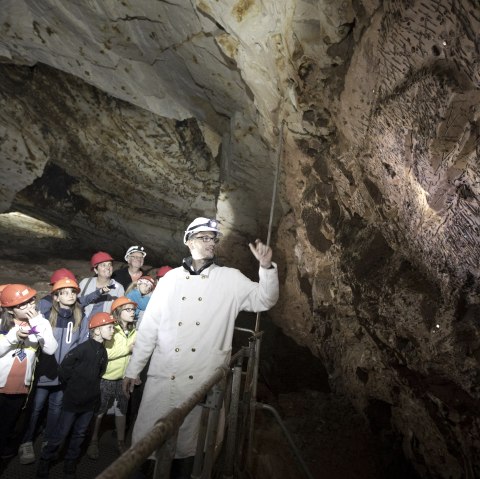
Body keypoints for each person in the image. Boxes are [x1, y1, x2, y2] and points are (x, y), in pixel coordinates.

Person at [123, 217, 279, 478]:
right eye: (204, 237)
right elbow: (149, 326)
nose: (211, 243)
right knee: (150, 447)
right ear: (188, 241)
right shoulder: (170, 279)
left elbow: (265, 299)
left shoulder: (230, 279)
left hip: (201, 380)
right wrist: (133, 369)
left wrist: (266, 267)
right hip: (164, 376)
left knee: (191, 451)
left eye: (213, 239)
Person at [36, 312, 115, 479]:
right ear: (97, 330)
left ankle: (70, 462)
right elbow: (64, 369)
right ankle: (45, 459)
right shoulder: (82, 349)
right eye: (109, 327)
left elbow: (99, 374)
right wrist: (72, 388)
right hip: (73, 400)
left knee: (80, 433)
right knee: (61, 433)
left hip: (89, 401)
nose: (113, 330)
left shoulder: (103, 352)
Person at [18, 278, 89, 465]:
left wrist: (74, 368)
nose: (70, 295)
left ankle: (49, 439)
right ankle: (26, 441)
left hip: (64, 374)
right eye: (64, 292)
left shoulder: (81, 315)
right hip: (44, 371)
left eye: (73, 292)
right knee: (36, 408)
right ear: (55, 297)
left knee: (56, 407)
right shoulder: (46, 314)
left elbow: (81, 344)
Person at [0, 284, 58, 459]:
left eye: (31, 300)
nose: (30, 306)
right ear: (10, 310)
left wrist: (38, 323)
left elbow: (50, 348)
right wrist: (13, 337)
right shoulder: (2, 323)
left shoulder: (41, 322)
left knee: (7, 427)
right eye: (22, 304)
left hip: (19, 388)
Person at [86, 296, 137, 459]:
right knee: (99, 411)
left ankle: (121, 443)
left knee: (122, 410)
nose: (132, 312)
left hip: (124, 378)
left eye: (133, 309)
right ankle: (93, 441)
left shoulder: (134, 329)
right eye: (128, 309)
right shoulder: (110, 328)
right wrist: (128, 349)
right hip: (106, 377)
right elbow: (105, 353)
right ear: (118, 312)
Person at [38, 268, 106, 317]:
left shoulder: (72, 300)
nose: (70, 294)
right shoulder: (46, 303)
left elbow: (86, 299)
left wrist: (100, 291)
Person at [79, 251, 124, 320]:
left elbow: (119, 311)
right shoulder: (85, 283)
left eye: (110, 264)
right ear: (96, 270)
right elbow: (76, 303)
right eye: (103, 265)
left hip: (105, 327)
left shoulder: (119, 288)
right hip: (83, 325)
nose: (108, 268)